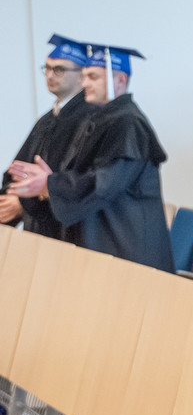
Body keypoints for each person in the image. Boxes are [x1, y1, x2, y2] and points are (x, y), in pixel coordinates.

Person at [7, 44, 174, 271]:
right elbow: (80, 175)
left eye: (93, 77)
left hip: (128, 251)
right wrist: (48, 183)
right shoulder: (99, 120)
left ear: (120, 79)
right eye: (84, 76)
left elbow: (103, 184)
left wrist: (50, 184)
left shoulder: (128, 123)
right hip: (102, 246)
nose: (84, 83)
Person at [2, 35, 93, 238]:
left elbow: (77, 180)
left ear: (82, 74)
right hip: (39, 229)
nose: (50, 75)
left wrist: (24, 202)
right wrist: (12, 196)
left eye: (59, 69)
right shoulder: (48, 119)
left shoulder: (90, 119)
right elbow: (19, 167)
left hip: (67, 231)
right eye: (47, 68)